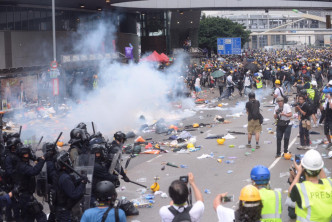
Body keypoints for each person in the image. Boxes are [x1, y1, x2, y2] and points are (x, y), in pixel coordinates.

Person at [288, 149, 332, 222]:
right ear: (320, 168)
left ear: (304, 169)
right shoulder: (330, 183)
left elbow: (290, 191)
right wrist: (318, 165)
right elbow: (324, 179)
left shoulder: (300, 188)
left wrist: (299, 172)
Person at [15, 145, 49, 222]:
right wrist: (42, 160)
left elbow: (34, 163)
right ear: (23, 155)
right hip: (25, 197)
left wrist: (40, 158)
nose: (29, 155)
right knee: (40, 215)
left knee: (29, 218)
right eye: (27, 153)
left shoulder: (22, 163)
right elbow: (34, 171)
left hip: (26, 196)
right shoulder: (22, 166)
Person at [54, 151, 87, 221]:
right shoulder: (65, 178)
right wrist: (83, 183)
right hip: (64, 212)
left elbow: (69, 185)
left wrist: (79, 181)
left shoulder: (59, 174)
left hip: (60, 209)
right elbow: (74, 194)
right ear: (65, 163)